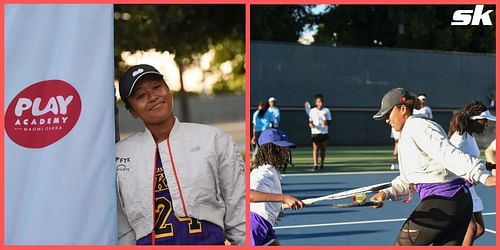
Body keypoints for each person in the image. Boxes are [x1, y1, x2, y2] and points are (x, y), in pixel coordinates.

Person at [115, 64, 245, 245]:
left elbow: (238, 206)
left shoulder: (213, 139)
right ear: (132, 111)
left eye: (157, 87)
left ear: (168, 91)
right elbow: (122, 229)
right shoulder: (120, 155)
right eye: (141, 96)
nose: (153, 97)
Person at [370, 87, 495, 246]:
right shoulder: (409, 132)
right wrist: (385, 193)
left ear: (402, 109)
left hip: (444, 201)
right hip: (456, 202)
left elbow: (448, 153)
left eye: (388, 114)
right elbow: (410, 178)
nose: (387, 120)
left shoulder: (419, 127)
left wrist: (482, 176)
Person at [447, 101, 495, 245]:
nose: (486, 124)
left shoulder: (469, 136)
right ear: (474, 120)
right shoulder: (459, 138)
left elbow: (470, 160)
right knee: (472, 228)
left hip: (468, 188)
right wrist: (464, 176)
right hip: (457, 189)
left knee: (479, 228)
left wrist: (492, 164)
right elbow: (447, 161)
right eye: (484, 121)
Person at [250, 128, 305, 246]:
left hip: (262, 223)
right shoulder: (264, 171)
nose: (286, 152)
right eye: (281, 149)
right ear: (269, 150)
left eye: (286, 149)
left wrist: (274, 208)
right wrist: (284, 198)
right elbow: (249, 195)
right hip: (255, 224)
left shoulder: (270, 170)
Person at [307, 94, 331, 171]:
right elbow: (310, 121)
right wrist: (311, 125)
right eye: (319, 101)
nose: (321, 103)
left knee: (323, 149)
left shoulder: (326, 110)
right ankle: (315, 164)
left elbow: (330, 122)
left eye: (322, 101)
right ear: (316, 103)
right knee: (315, 148)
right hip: (315, 132)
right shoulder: (312, 111)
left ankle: (322, 163)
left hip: (324, 132)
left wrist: (325, 122)